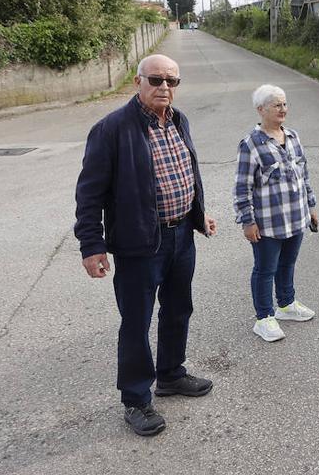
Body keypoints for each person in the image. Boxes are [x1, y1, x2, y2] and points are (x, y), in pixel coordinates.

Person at [74, 54, 218, 438]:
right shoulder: (111, 129)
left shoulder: (179, 120)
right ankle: (136, 399)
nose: (164, 88)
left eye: (172, 81)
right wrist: (92, 245)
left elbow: (187, 172)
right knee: (136, 323)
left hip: (181, 237)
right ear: (137, 81)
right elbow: (89, 195)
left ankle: (170, 374)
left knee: (178, 309)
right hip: (140, 243)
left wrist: (198, 214)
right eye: (156, 80)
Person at [233, 85, 319, 343]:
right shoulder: (251, 144)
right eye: (276, 105)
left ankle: (286, 305)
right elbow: (242, 186)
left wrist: (311, 207)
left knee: (288, 263)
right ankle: (264, 318)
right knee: (264, 269)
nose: (283, 109)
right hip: (268, 223)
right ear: (261, 110)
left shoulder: (292, 136)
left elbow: (303, 175)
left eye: (284, 104)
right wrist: (247, 221)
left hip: (296, 217)